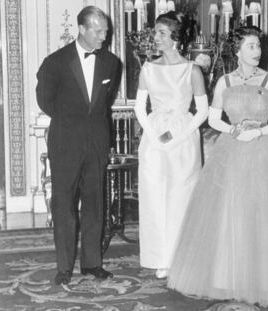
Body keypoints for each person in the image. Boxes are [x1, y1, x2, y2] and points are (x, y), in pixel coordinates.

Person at [167, 26, 268, 307]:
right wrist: (232, 130)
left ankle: (266, 279)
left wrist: (259, 132)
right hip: (231, 152)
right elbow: (213, 118)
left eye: (259, 46)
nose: (258, 51)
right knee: (230, 211)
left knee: (263, 212)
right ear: (237, 51)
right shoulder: (224, 83)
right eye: (252, 46)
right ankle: (227, 276)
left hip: (265, 153)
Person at [36, 6, 121, 285]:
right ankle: (63, 268)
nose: (103, 37)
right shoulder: (55, 62)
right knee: (64, 205)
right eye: (98, 31)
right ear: (82, 29)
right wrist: (72, 122)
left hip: (97, 142)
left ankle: (92, 264)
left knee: (96, 204)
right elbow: (45, 102)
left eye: (106, 31)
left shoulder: (112, 63)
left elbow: (103, 104)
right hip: (66, 143)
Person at [133, 11, 208, 279]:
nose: (156, 37)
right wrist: (155, 136)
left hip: (183, 139)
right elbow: (140, 108)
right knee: (154, 197)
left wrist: (177, 137)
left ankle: (180, 255)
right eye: (156, 32)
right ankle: (159, 256)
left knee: (180, 197)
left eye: (162, 33)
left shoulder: (192, 70)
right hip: (154, 139)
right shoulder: (148, 69)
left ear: (176, 37)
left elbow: (202, 111)